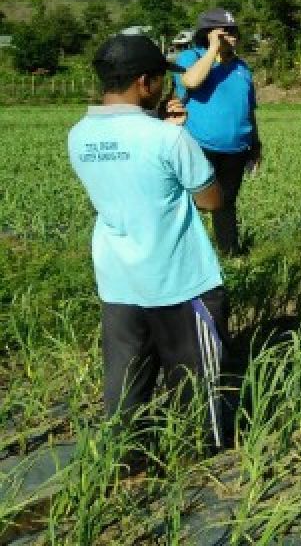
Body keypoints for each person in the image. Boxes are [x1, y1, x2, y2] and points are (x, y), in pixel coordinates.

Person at [67, 34, 227, 450]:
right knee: (197, 391)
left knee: (126, 390)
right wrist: (176, 135)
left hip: (119, 280)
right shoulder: (167, 139)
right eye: (161, 79)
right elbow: (210, 200)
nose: (165, 87)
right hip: (180, 280)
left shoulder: (78, 136)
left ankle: (126, 465)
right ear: (145, 82)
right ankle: (198, 463)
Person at [176, 8, 261, 256]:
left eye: (235, 31)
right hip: (200, 146)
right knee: (192, 203)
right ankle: (188, 254)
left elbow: (249, 109)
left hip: (236, 149)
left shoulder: (242, 68)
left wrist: (255, 144)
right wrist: (213, 50)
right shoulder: (191, 58)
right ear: (209, 34)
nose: (233, 37)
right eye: (226, 32)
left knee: (226, 203)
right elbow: (190, 82)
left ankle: (229, 252)